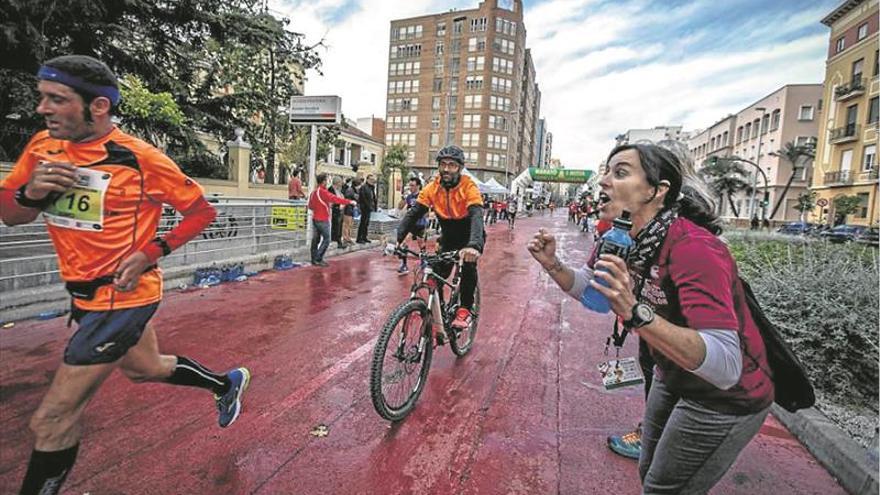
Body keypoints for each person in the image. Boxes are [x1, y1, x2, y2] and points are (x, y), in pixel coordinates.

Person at [0, 55, 251, 495]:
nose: (43, 109)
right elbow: (11, 216)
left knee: (52, 420)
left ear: (97, 106)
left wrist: (150, 253)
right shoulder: (43, 147)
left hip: (123, 298)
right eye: (43, 98)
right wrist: (30, 192)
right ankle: (225, 384)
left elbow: (200, 211)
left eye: (57, 100)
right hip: (82, 297)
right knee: (146, 368)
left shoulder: (140, 158)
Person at [527, 143, 773, 494]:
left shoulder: (695, 249)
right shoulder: (619, 237)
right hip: (670, 375)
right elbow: (588, 289)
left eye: (621, 173)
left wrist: (634, 312)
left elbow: (726, 365)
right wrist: (552, 264)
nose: (604, 182)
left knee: (662, 487)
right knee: (648, 470)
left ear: (657, 192)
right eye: (606, 171)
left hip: (725, 398)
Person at [396, 145, 485, 336]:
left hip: (470, 235)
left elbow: (477, 216)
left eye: (452, 165)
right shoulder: (432, 188)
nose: (446, 169)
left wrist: (474, 245)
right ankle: (439, 314)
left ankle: (464, 310)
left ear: (460, 168)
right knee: (436, 274)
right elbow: (413, 214)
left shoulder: (469, 186)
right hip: (448, 237)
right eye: (443, 164)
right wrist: (398, 238)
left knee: (468, 267)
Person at [307, 172, 355, 267]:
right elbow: (336, 199)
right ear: (324, 181)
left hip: (315, 218)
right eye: (326, 180)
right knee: (327, 239)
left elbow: (310, 206)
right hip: (323, 219)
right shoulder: (323, 192)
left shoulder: (313, 192)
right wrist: (349, 201)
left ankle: (313, 258)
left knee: (315, 240)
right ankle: (318, 258)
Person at [396, 177, 428, 274]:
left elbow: (427, 211)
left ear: (418, 186)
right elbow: (400, 207)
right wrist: (403, 198)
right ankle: (404, 265)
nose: (411, 187)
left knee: (421, 244)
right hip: (410, 224)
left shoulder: (422, 196)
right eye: (410, 185)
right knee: (404, 243)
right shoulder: (409, 196)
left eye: (413, 185)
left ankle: (424, 261)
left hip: (420, 224)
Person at [356, 173, 377, 244]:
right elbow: (363, 198)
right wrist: (368, 206)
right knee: (363, 223)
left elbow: (373, 197)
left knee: (366, 223)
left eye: (373, 180)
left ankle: (364, 237)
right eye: (371, 179)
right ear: (367, 179)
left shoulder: (371, 187)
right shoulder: (364, 187)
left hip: (369, 208)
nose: (372, 181)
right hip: (364, 207)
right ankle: (359, 238)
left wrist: (374, 206)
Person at [328, 176, 344, 248]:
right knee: (335, 226)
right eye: (340, 182)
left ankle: (339, 240)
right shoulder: (331, 190)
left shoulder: (339, 190)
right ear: (337, 183)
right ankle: (336, 240)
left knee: (339, 226)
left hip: (340, 210)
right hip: (334, 210)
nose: (341, 184)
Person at [341, 178, 357, 246]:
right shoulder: (350, 190)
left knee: (350, 225)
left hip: (350, 209)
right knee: (347, 224)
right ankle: (346, 238)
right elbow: (347, 199)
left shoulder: (352, 190)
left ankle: (348, 238)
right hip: (348, 209)